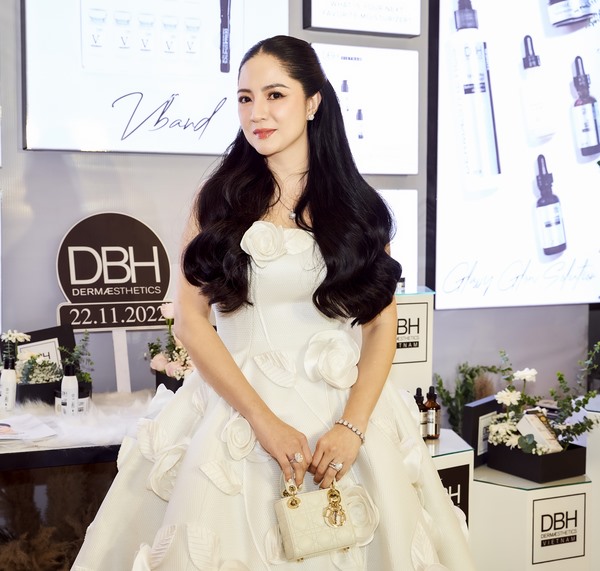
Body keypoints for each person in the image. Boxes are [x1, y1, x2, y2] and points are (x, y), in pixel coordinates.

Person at [73, 35, 476, 570]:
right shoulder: (218, 201)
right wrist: (263, 421)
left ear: (312, 102)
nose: (256, 113)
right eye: (245, 98)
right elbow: (191, 320)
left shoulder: (357, 209)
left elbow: (381, 326)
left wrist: (353, 428)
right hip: (237, 419)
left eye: (274, 95)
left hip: (343, 421)